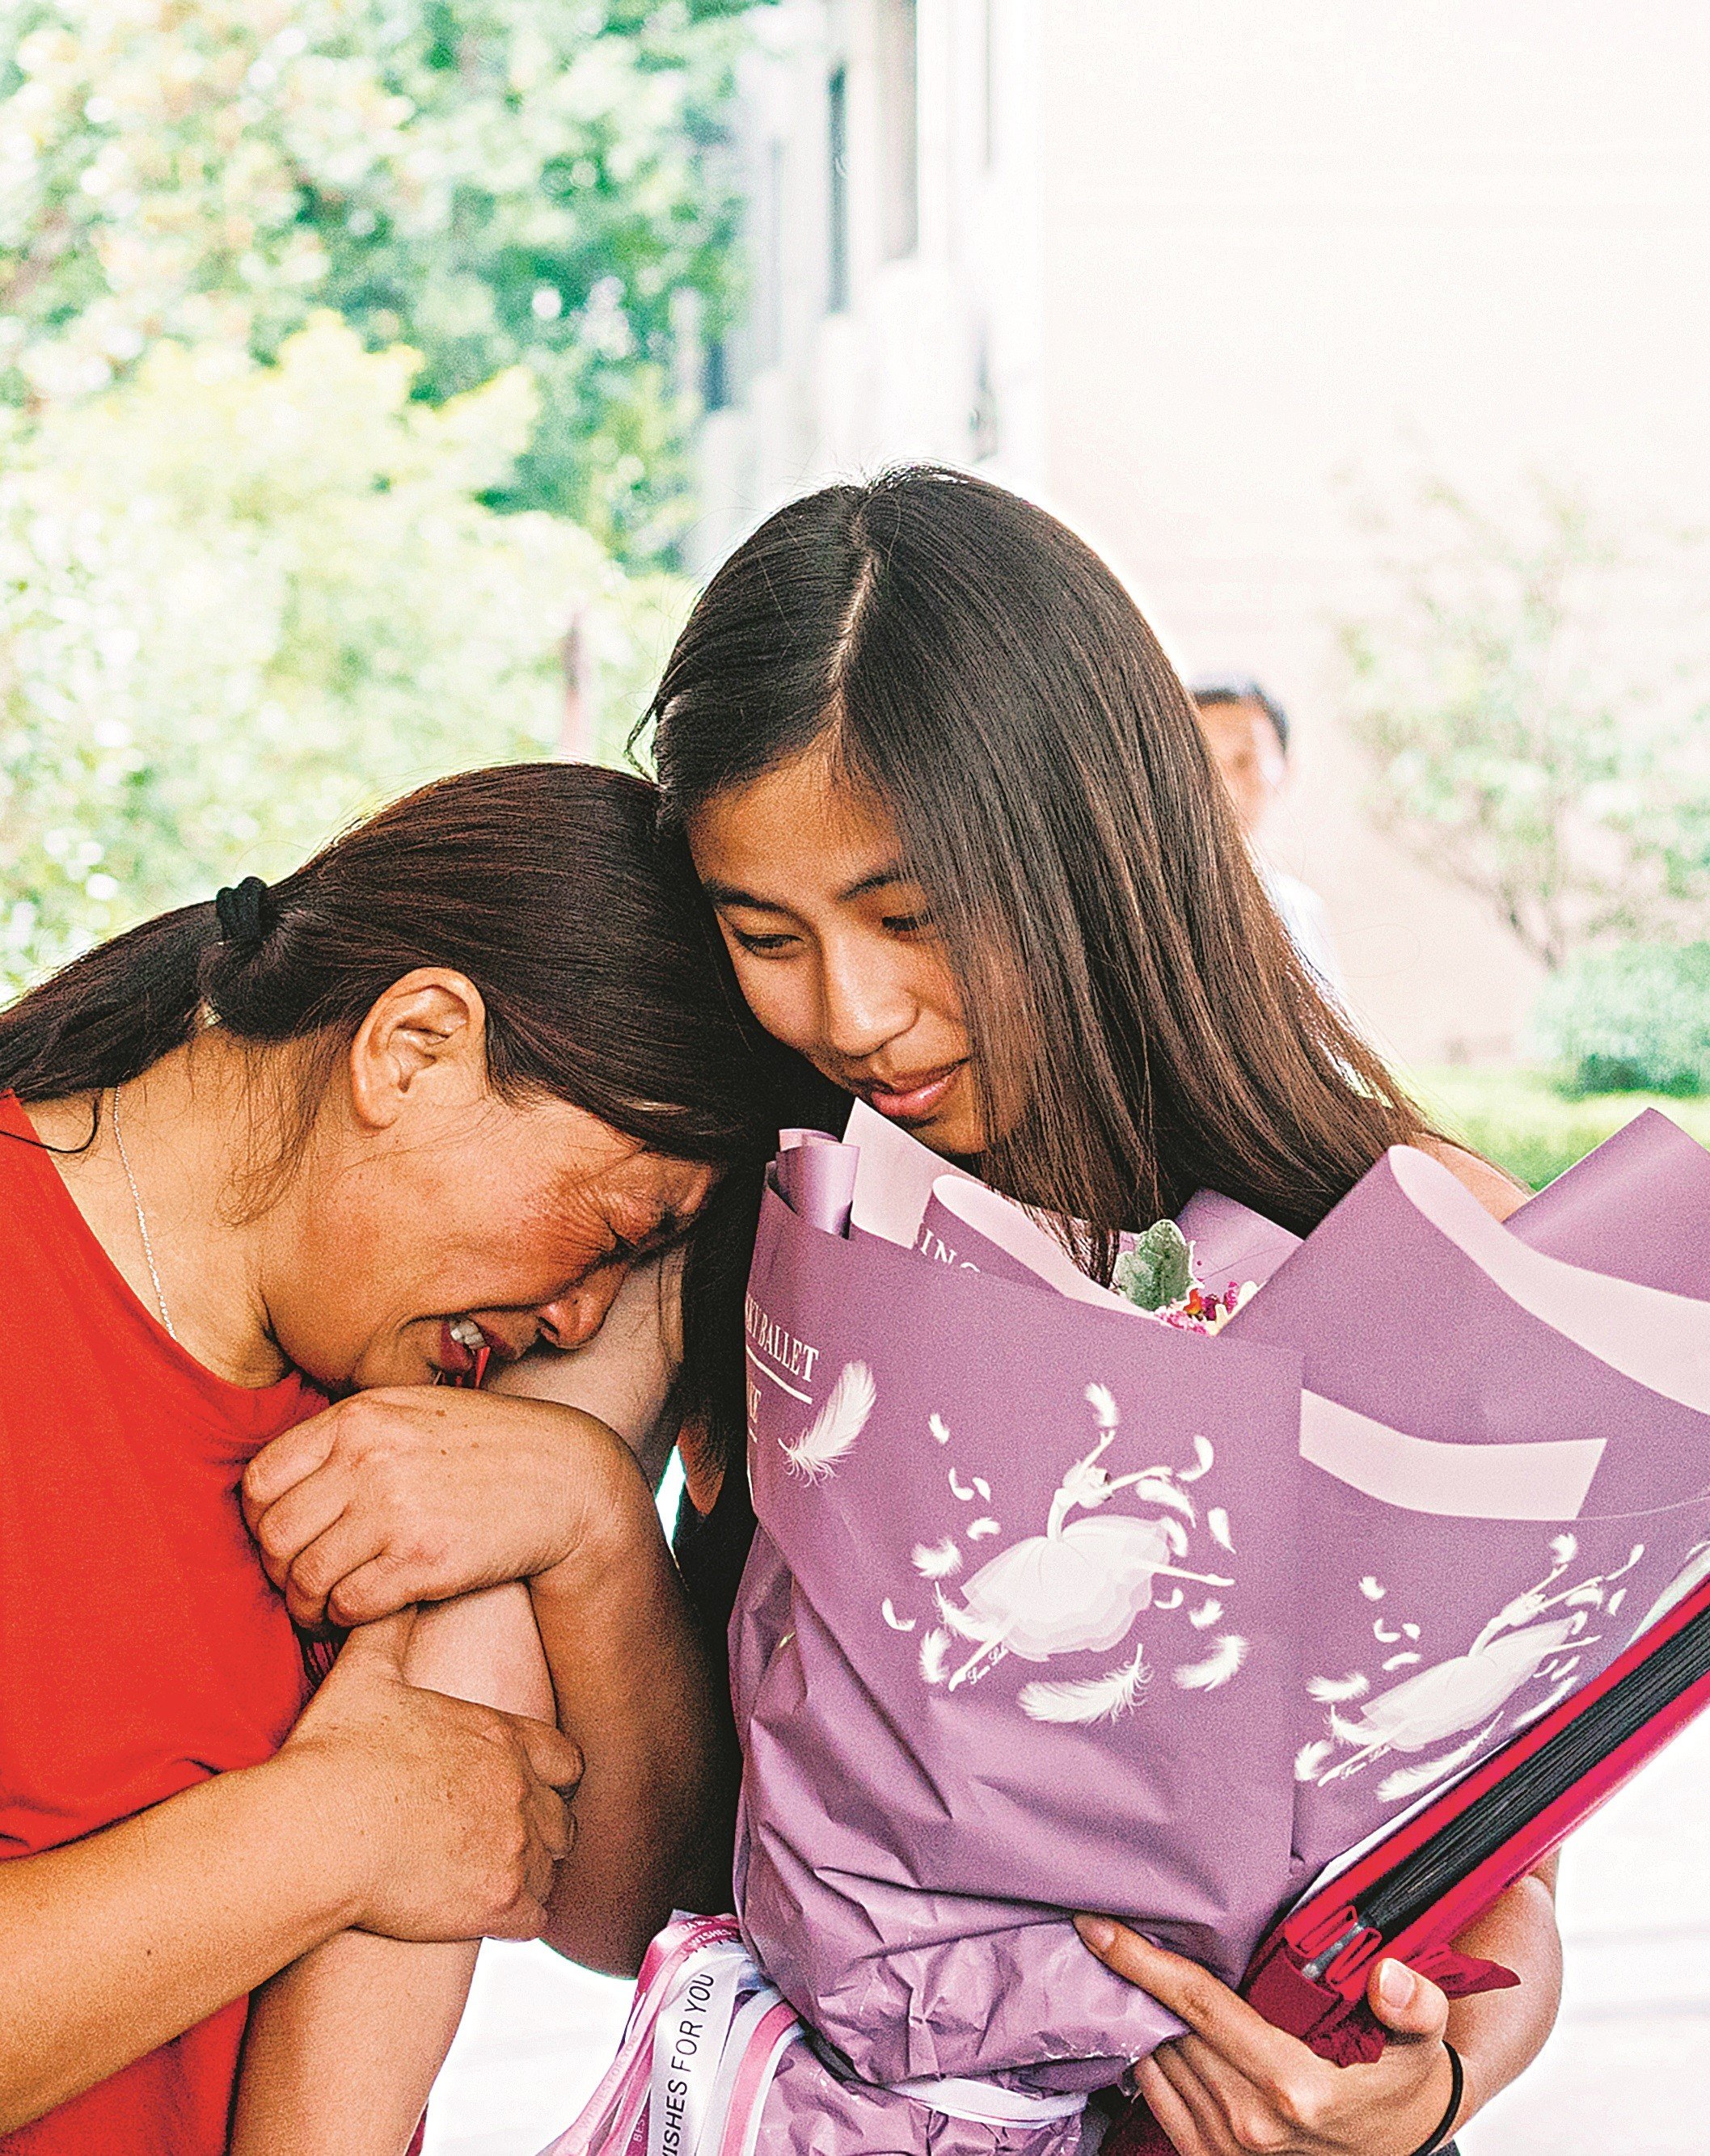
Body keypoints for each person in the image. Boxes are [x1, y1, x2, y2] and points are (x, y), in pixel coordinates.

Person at [0, 764, 777, 2155]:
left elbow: (617, 1897)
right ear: (414, 1047)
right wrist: (334, 1828)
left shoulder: (405, 1368)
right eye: (607, 1234)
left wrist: (595, 1520)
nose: (581, 1314)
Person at [655, 469, 1559, 2156]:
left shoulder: (1414, 1242)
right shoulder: (756, 1217)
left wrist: (1424, 2086)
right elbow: (640, 1867)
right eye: (762, 933)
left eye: (910, 917)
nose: (851, 1012)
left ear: (1093, 840)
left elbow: (1511, 1875)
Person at [1189, 675, 1348, 1000]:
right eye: (1203, 763)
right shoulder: (1140, 903)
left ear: (1284, 770)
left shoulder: (1298, 910)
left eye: (1244, 762)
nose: (1224, 785)